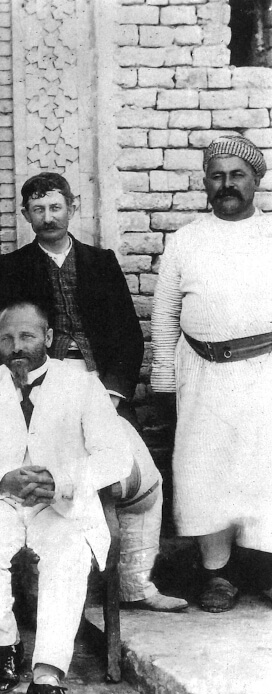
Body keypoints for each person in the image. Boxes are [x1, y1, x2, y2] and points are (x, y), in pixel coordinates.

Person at [0, 173, 183, 612]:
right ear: (25, 215)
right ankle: (40, 595)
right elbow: (5, 344)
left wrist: (112, 395)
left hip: (101, 388)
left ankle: (135, 582)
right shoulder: (13, 267)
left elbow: (130, 338)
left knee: (144, 479)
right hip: (41, 391)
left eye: (56, 207)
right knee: (41, 479)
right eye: (37, 210)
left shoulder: (101, 262)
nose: (48, 217)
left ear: (72, 207)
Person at [0, 301, 131, 694]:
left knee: (68, 557)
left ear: (47, 338)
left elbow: (115, 455)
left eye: (26, 336)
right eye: (6, 339)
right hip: (1, 502)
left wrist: (63, 480)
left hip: (60, 505)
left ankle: (47, 678)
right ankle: (6, 642)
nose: (16, 347)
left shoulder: (82, 385)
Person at [152, 134, 272, 613]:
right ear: (205, 181)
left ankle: (263, 570)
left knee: (262, 470)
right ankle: (217, 575)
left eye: (236, 175)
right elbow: (163, 314)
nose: (227, 185)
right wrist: (163, 379)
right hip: (202, 374)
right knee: (205, 472)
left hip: (265, 373)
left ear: (256, 181)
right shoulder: (186, 240)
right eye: (217, 176)